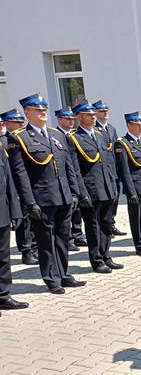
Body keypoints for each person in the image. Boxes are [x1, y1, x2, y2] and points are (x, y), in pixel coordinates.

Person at [7, 94, 88, 294]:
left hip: (63, 196)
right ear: (27, 113)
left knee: (62, 238)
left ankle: (63, 273)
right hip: (42, 199)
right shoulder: (19, 138)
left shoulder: (57, 135)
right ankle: (51, 278)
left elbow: (69, 166)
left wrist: (74, 192)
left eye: (44, 108)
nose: (42, 112)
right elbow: (20, 174)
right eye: (37, 109)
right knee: (46, 241)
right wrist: (29, 203)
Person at [68, 100, 123, 274]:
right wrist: (81, 193)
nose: (93, 117)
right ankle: (97, 260)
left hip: (106, 187)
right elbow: (75, 170)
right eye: (89, 114)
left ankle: (106, 256)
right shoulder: (74, 138)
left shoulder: (99, 135)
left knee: (106, 225)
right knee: (93, 227)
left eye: (93, 114)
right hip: (90, 191)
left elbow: (107, 162)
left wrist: (113, 185)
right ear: (79, 116)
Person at [114, 112, 141, 257]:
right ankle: (139, 245)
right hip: (135, 187)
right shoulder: (122, 144)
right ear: (129, 125)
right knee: (136, 217)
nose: (140, 128)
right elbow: (124, 170)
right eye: (137, 125)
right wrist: (130, 191)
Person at [1, 109, 38, 266]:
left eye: (22, 121)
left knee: (30, 218)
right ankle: (26, 250)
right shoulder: (5, 141)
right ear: (7, 124)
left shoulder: (24, 138)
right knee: (22, 220)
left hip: (26, 184)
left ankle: (34, 247)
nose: (21, 124)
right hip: (13, 186)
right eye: (17, 122)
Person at [0, 131, 28, 311]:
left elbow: (8, 180)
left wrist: (15, 210)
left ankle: (3, 295)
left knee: (3, 257)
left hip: (2, 211)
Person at [55, 106, 86, 252]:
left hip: (76, 175)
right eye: (67, 119)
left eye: (72, 119)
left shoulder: (74, 135)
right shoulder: (55, 136)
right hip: (63, 177)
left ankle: (78, 233)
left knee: (78, 208)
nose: (71, 122)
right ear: (59, 119)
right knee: (68, 209)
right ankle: (68, 238)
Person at [93, 100, 126, 237]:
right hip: (102, 170)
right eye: (101, 111)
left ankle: (111, 223)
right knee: (105, 201)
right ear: (95, 113)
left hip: (114, 169)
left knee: (115, 197)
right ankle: (104, 226)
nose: (105, 112)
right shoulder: (94, 129)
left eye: (106, 110)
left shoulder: (111, 128)